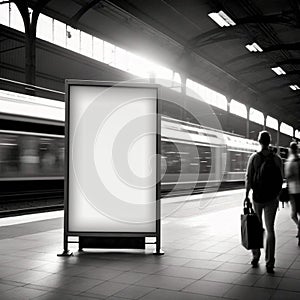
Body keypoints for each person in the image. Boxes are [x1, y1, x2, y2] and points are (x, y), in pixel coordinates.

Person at [245, 131, 283, 273]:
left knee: (257, 227)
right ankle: (270, 262)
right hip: (271, 199)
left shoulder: (254, 158)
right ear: (270, 141)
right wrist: (277, 195)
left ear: (259, 141)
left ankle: (256, 256)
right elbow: (281, 178)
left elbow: (248, 178)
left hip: (257, 198)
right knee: (270, 229)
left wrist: (246, 194)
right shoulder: (277, 159)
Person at [284, 142, 300, 245]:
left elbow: (287, 176)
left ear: (290, 149)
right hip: (297, 190)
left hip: (293, 190)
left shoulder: (289, 161)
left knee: (293, 214)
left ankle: (299, 227)